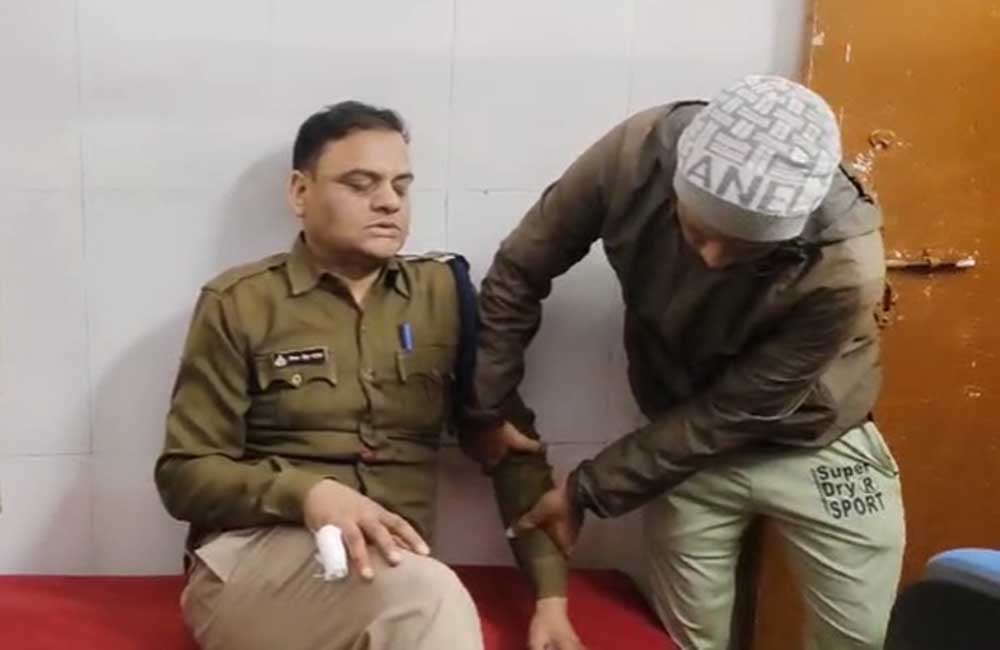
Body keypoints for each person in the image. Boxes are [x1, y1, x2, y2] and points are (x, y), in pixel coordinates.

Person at [467, 75, 905, 650]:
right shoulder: (632, 157)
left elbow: (736, 411)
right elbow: (519, 270)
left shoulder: (847, 268)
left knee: (860, 638)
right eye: (697, 230)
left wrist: (588, 489)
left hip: (818, 440)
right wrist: (491, 405)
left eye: (746, 248)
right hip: (682, 448)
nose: (713, 259)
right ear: (675, 182)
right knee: (685, 643)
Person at [155, 101, 483, 650]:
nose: (389, 201)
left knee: (419, 595)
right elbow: (184, 474)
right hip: (253, 560)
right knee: (429, 598)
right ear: (300, 192)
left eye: (401, 186)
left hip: (390, 568)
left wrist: (551, 597)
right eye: (361, 184)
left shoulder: (443, 293)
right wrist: (307, 494)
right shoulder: (241, 302)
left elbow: (500, 436)